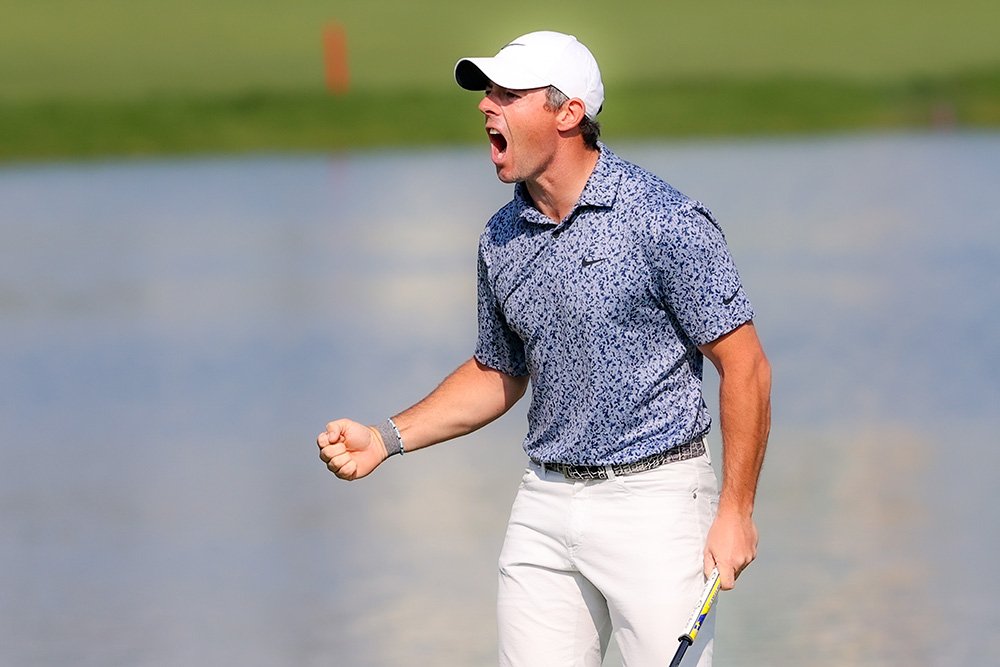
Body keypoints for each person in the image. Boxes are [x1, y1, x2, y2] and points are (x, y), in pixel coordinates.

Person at [317, 30, 771, 667]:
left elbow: (745, 365)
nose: (486, 106)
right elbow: (496, 371)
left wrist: (736, 511)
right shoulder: (501, 237)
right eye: (487, 94)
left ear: (568, 113)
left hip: (657, 504)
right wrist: (385, 438)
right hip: (545, 503)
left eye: (507, 94)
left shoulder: (663, 220)